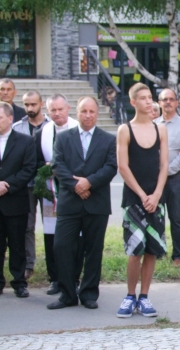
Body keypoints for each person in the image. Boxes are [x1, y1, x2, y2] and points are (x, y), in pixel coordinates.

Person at [47, 97, 117, 310]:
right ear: (76, 112)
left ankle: (88, 293)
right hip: (70, 202)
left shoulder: (108, 139)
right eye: (83, 111)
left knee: (93, 249)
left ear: (97, 113)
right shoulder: (63, 137)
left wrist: (89, 182)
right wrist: (76, 185)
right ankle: (68, 294)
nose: (88, 115)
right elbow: (57, 165)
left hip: (96, 203)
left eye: (91, 111)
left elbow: (111, 167)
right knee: (61, 246)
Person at [116, 83, 169, 318]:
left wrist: (156, 195)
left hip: (156, 199)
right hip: (134, 199)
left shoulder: (161, 129)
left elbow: (164, 165)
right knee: (135, 249)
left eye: (150, 97)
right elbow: (123, 167)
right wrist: (141, 195)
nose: (149, 102)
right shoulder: (125, 130)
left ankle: (145, 296)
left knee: (152, 249)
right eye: (144, 98)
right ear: (133, 102)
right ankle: (130, 296)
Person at [35, 94, 83, 295]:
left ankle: (74, 277)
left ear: (68, 108)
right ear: (47, 111)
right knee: (51, 235)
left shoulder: (78, 129)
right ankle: (55, 278)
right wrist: (46, 166)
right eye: (52, 110)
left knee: (76, 236)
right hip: (50, 191)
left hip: (74, 188)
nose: (57, 113)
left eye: (60, 109)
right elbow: (35, 160)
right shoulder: (43, 132)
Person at [12, 90, 51, 281]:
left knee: (51, 224)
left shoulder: (51, 126)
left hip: (49, 184)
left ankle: (55, 267)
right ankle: (28, 264)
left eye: (33, 104)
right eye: (26, 104)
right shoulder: (17, 127)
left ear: (41, 104)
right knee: (27, 225)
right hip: (25, 185)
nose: (30, 108)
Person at [0, 102, 37, 298]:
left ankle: (19, 282)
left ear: (10, 119)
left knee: (17, 245)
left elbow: (28, 169)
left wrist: (7, 185)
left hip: (16, 201)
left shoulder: (25, 141)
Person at [154, 89, 180, 267]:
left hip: (176, 178)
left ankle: (179, 255)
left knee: (177, 218)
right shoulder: (153, 125)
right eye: (164, 99)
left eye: (171, 99)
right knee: (156, 217)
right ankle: (157, 252)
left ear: (177, 103)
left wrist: (166, 171)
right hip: (154, 180)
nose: (168, 102)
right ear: (159, 103)